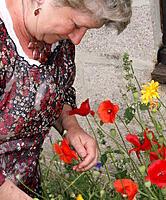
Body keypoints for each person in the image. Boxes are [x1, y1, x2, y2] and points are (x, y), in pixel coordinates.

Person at [0, 0, 132, 199]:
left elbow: (56, 91)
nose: (77, 39)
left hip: (26, 187)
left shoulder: (59, 41)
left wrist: (71, 127)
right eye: (77, 25)